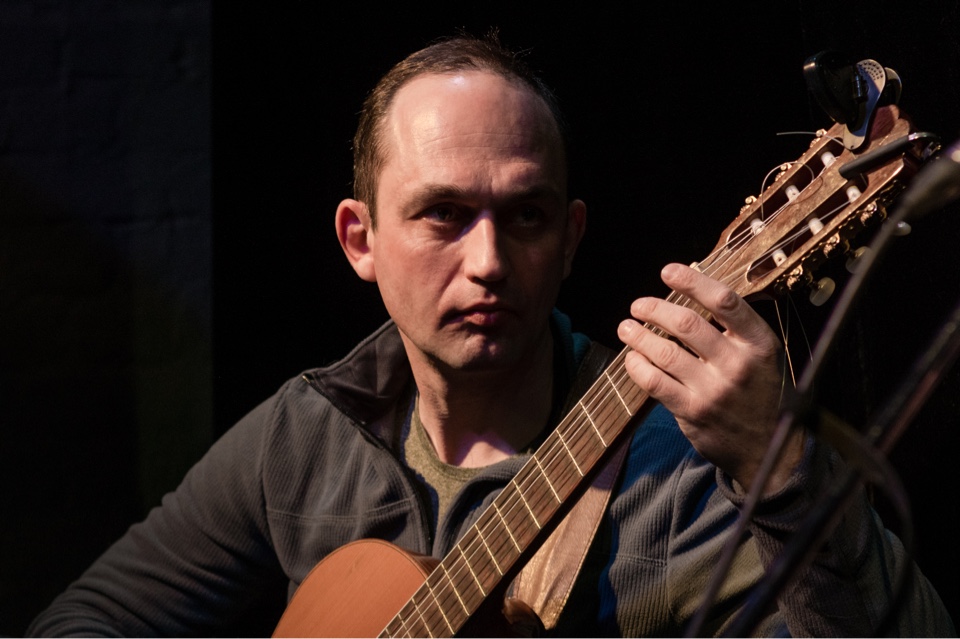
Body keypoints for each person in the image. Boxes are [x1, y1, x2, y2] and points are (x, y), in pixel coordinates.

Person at [28, 33, 954, 637]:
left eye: (525, 216)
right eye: (443, 214)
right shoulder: (308, 434)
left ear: (571, 239)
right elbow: (84, 620)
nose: (488, 262)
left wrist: (780, 471)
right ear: (360, 240)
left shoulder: (682, 477)